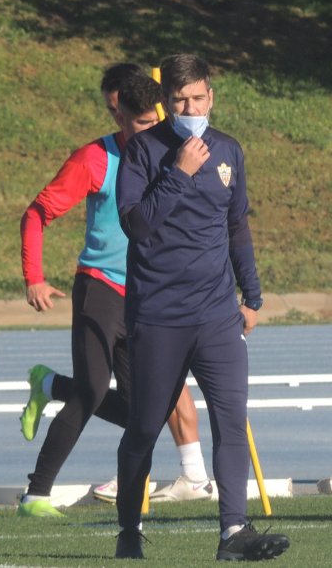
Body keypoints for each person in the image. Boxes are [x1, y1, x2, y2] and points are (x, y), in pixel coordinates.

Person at [113, 55, 289, 561]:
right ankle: (129, 529)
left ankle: (233, 532)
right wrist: (180, 174)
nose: (189, 107)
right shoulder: (143, 151)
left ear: (211, 95)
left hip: (217, 314)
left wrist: (250, 296)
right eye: (178, 99)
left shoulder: (229, 149)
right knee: (144, 428)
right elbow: (137, 226)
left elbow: (237, 227)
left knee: (231, 421)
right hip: (158, 316)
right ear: (165, 102)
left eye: (197, 97)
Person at [16, 66, 213, 518]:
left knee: (144, 412)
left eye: (155, 121)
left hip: (149, 294)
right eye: (141, 124)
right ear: (119, 116)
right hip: (100, 289)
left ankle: (48, 385)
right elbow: (36, 213)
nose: (151, 131)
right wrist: (34, 277)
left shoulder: (177, 153)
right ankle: (36, 495)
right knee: (88, 393)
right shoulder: (94, 159)